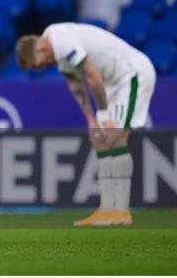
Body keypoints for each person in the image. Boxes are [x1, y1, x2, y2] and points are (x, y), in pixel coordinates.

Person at [16, 22, 156, 226]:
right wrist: (91, 121)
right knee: (102, 142)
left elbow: (92, 76)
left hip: (132, 74)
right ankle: (107, 209)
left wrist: (104, 115)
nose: (42, 67)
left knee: (116, 137)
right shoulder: (55, 48)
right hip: (113, 82)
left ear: (40, 48)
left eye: (39, 63)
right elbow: (76, 86)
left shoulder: (62, 43)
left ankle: (122, 211)